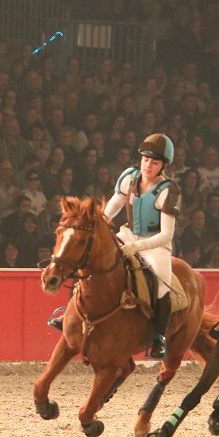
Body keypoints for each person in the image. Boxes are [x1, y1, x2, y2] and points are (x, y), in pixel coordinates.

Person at [48, 134, 180, 361]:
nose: (148, 165)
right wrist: (94, 228)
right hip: (128, 234)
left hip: (155, 244)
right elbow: (110, 210)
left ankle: (159, 337)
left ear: (163, 165)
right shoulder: (129, 178)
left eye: (155, 162)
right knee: (88, 259)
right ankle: (68, 312)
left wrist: (136, 246)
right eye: (146, 160)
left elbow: (166, 234)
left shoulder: (168, 191)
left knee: (161, 283)